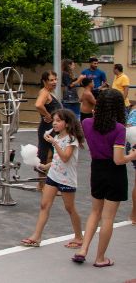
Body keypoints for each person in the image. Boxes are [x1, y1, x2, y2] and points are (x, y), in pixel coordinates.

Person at [72, 89, 136, 267]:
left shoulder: (86, 123)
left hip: (97, 169)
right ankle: (100, 258)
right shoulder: (119, 129)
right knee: (108, 218)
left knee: (95, 212)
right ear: (117, 108)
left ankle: (83, 249)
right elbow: (118, 159)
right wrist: (132, 155)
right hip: (114, 173)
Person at [20, 109, 84, 248]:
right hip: (53, 176)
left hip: (66, 179)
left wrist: (54, 143)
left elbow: (66, 158)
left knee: (70, 208)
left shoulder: (71, 139)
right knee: (44, 205)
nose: (54, 123)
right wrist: (46, 166)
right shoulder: (58, 138)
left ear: (67, 124)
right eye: (54, 120)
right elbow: (57, 159)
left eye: (58, 121)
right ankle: (36, 237)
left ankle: (79, 237)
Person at [34, 71, 62, 185]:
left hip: (50, 129)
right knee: (46, 156)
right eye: (51, 80)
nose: (54, 82)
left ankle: (45, 184)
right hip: (47, 129)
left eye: (55, 79)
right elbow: (38, 104)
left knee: (49, 155)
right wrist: (47, 115)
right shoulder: (45, 92)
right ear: (44, 81)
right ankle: (43, 185)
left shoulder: (49, 92)